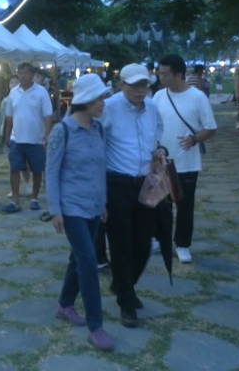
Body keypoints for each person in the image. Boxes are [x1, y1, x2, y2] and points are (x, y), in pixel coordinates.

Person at [47, 73, 114, 352]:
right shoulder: (62, 131)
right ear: (85, 100)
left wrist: (104, 202)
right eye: (99, 99)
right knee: (88, 261)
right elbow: (51, 172)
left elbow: (100, 169)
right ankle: (96, 327)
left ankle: (64, 305)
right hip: (71, 207)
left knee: (78, 257)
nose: (103, 103)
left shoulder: (99, 129)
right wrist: (55, 210)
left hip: (94, 206)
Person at [99, 63, 163, 328]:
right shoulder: (108, 108)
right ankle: (126, 301)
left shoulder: (152, 108)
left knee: (144, 244)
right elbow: (96, 146)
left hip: (145, 183)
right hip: (117, 182)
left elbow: (157, 136)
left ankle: (122, 283)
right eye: (135, 85)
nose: (140, 89)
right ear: (121, 85)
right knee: (121, 244)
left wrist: (159, 152)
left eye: (144, 84)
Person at [154, 54, 218, 264]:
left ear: (179, 75)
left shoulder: (197, 97)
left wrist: (194, 139)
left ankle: (182, 244)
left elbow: (210, 128)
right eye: (159, 73)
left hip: (186, 161)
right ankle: (160, 239)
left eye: (165, 74)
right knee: (161, 205)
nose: (161, 77)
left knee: (184, 205)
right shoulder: (159, 96)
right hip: (162, 160)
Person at [2, 63, 54, 213]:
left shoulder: (41, 92)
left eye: (26, 73)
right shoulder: (13, 92)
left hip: (36, 139)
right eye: (20, 73)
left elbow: (48, 115)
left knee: (37, 170)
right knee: (14, 169)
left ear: (32, 75)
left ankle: (34, 198)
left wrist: (47, 134)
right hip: (16, 138)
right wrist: (7, 134)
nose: (23, 76)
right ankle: (15, 200)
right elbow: (9, 116)